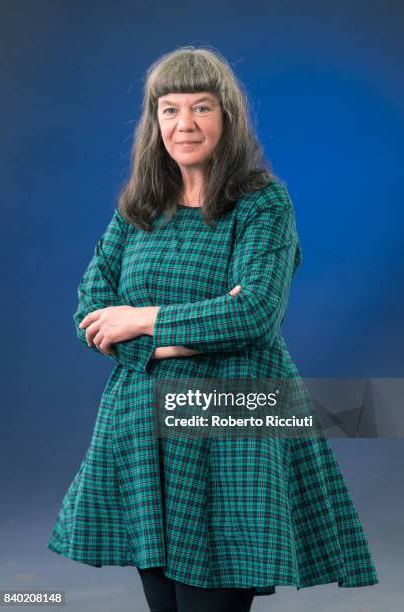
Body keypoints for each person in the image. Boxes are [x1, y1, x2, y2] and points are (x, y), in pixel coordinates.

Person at [47, 46, 379, 611]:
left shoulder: (262, 202)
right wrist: (187, 334)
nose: (185, 124)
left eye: (201, 107)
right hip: (141, 431)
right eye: (170, 109)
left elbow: (253, 313)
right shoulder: (138, 208)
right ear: (154, 122)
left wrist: (143, 320)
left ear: (227, 116)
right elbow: (91, 312)